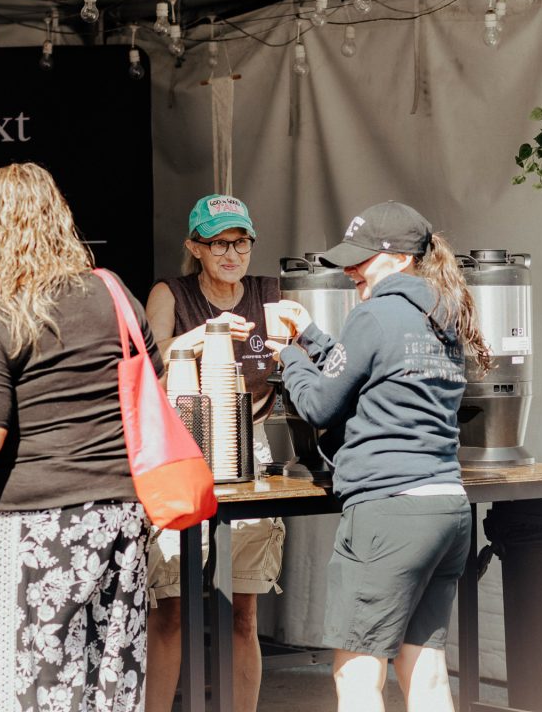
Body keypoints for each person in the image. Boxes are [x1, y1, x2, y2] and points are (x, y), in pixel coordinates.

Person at [0, 162, 162, 712]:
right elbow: (151, 381)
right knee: (113, 682)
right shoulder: (112, 291)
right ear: (60, 218)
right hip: (122, 512)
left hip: (35, 523)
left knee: (34, 683)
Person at [265, 202, 491, 712]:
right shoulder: (445, 312)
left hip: (388, 512)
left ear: (400, 259)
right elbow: (374, 373)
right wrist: (312, 338)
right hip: (446, 508)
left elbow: (321, 403)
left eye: (361, 259)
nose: (350, 271)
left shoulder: (373, 315)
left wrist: (288, 354)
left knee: (358, 676)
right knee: (427, 673)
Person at [145, 193, 285, 712]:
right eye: (219, 243)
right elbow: (149, 372)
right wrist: (200, 337)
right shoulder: (173, 294)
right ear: (194, 247)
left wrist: (291, 349)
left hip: (252, 453)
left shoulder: (272, 293)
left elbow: (314, 351)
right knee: (171, 611)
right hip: (182, 455)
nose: (232, 253)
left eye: (241, 242)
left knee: (242, 612)